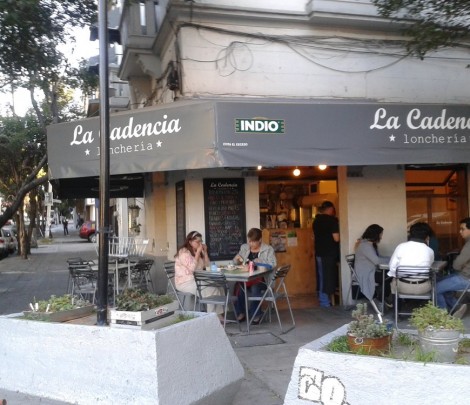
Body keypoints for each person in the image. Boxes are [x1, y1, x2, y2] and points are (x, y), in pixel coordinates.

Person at [174, 231, 224, 320]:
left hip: (197, 280)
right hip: (185, 282)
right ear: (190, 242)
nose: (200, 244)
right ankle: (212, 318)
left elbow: (207, 266)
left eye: (201, 241)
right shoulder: (184, 252)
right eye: (197, 242)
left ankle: (218, 314)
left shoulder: (196, 251)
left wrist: (205, 252)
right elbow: (191, 269)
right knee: (212, 291)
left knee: (219, 286)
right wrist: (197, 253)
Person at [233, 227, 277, 323]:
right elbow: (236, 262)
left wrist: (261, 261)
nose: (251, 244)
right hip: (247, 278)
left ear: (260, 240)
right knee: (239, 286)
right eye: (249, 241)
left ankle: (256, 314)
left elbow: (273, 264)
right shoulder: (244, 248)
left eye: (253, 241)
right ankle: (240, 313)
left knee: (255, 287)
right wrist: (236, 259)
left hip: (263, 280)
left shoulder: (268, 249)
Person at [436, 217, 470, 318]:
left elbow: (456, 265)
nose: (460, 232)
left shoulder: (469, 245)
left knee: (435, 288)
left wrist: (457, 260)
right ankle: (457, 306)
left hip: (466, 278)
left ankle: (443, 315)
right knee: (441, 281)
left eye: (462, 229)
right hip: (464, 275)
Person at [388, 222, 434, 296]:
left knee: (393, 281)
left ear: (410, 234)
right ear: (427, 236)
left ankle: (396, 302)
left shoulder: (401, 247)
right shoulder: (430, 251)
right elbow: (429, 266)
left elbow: (392, 268)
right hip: (423, 288)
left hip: (402, 287)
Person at [354, 224, 391, 305]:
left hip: (370, 271)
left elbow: (378, 257)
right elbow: (377, 260)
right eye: (380, 235)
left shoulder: (368, 244)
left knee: (389, 275)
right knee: (390, 275)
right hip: (366, 274)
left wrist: (390, 258)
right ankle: (380, 299)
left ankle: (382, 298)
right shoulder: (365, 246)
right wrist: (391, 260)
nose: (381, 237)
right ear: (375, 235)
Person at [313, 200, 339, 308]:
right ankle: (324, 302)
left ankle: (323, 299)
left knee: (321, 276)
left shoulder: (316, 221)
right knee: (327, 277)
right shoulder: (332, 221)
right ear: (331, 209)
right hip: (329, 253)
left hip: (319, 252)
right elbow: (336, 238)